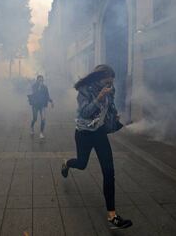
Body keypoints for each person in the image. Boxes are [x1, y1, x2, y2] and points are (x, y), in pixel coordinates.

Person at [61, 64, 132, 230]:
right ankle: (67, 163)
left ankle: (112, 216)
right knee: (82, 163)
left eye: (111, 83)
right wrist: (99, 97)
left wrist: (115, 116)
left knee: (109, 171)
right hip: (84, 133)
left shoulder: (110, 89)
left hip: (99, 133)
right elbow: (84, 112)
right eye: (107, 82)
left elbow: (110, 107)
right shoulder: (85, 90)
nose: (110, 86)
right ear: (99, 79)